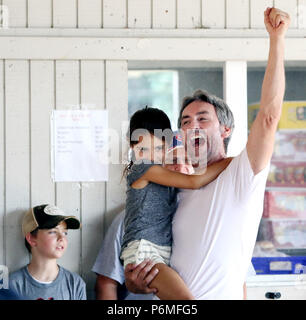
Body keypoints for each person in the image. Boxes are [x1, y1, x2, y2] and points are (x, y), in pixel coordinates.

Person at [124, 7, 290, 300]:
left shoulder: (242, 172)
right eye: (185, 122)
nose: (192, 126)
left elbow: (269, 115)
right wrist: (136, 284)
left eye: (203, 118)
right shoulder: (174, 187)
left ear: (225, 130)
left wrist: (277, 39)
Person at [120, 108, 232, 300]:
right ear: (132, 148)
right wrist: (235, 162)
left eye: (159, 149)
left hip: (163, 251)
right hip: (145, 249)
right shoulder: (142, 168)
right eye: (143, 149)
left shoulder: (166, 173)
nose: (152, 155)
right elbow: (193, 181)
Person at [92, 133, 194, 300]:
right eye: (173, 161)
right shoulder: (129, 219)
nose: (182, 168)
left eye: (188, 161)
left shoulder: (202, 216)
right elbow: (106, 283)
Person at [9, 204, 87, 300]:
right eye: (53, 232)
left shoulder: (75, 283)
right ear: (31, 239)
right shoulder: (12, 285)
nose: (62, 238)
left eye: (65, 233)